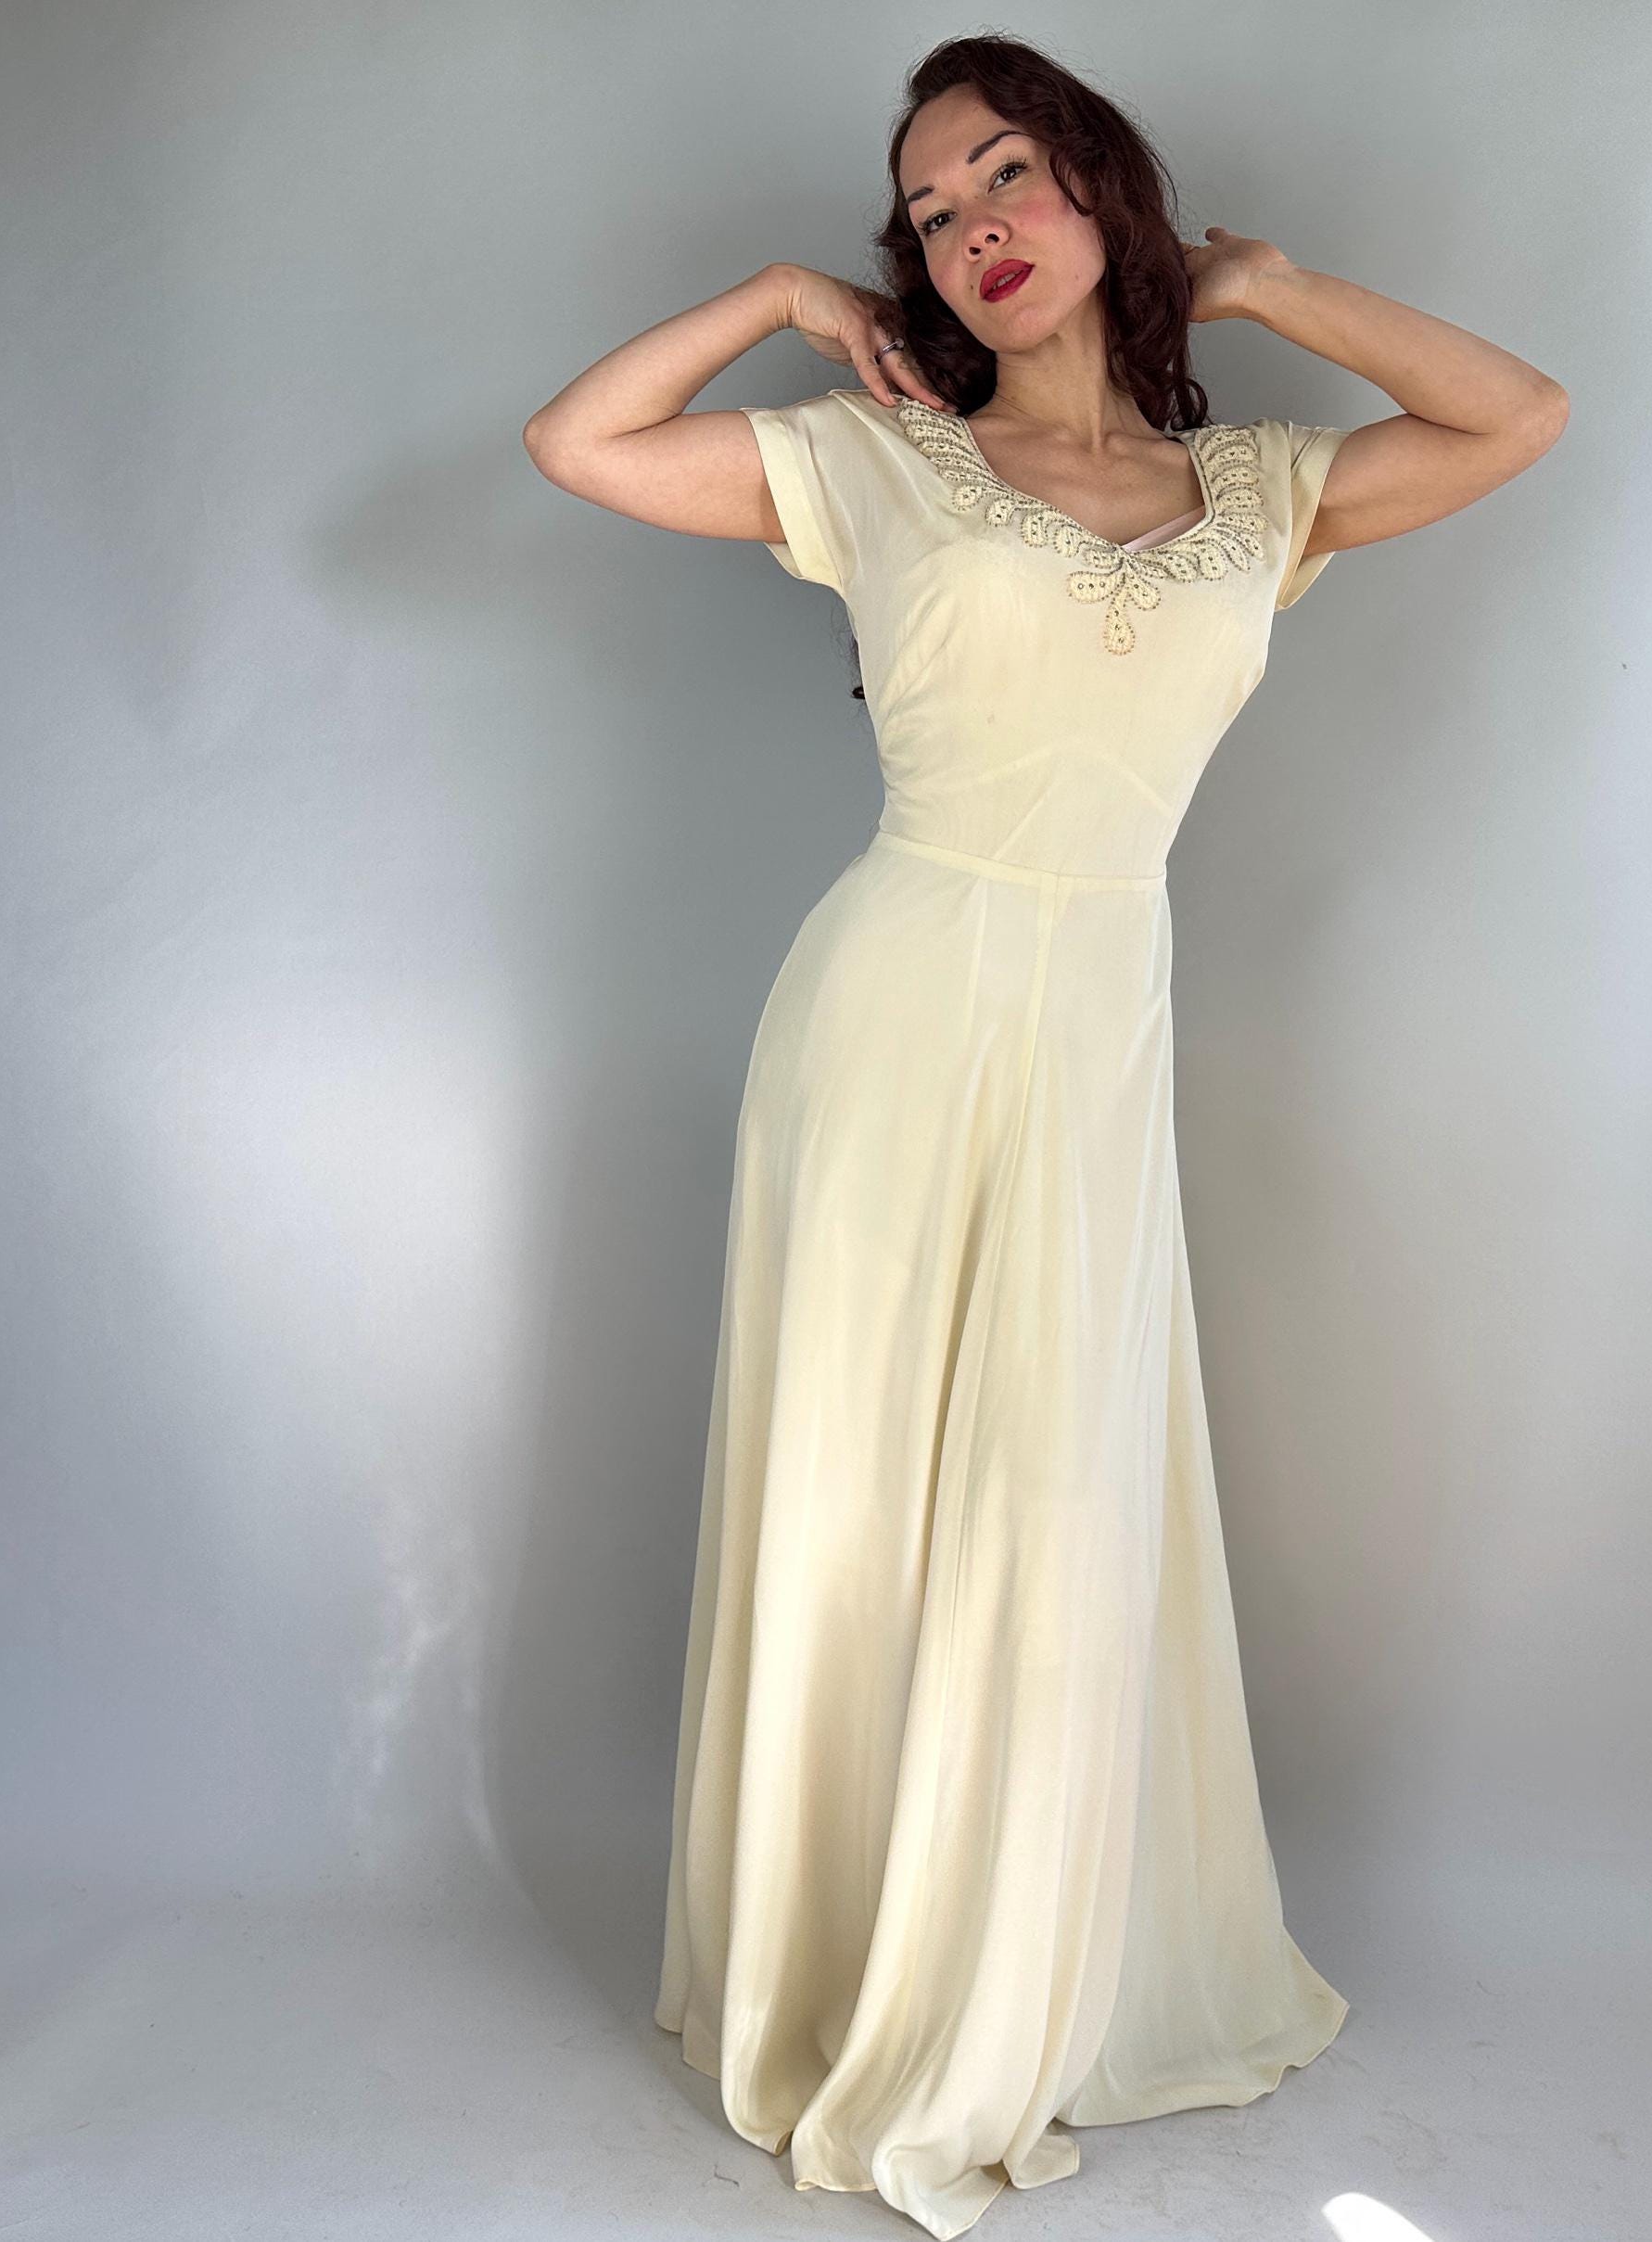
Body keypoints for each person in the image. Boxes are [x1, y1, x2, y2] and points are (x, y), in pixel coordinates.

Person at [523, 33, 1566, 2239]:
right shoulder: (876, 464)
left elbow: (1517, 417)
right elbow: (579, 443)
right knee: (865, 1501)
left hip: (1099, 1019)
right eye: (929, 210)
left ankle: (1018, 1968)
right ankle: (861, 1980)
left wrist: (1272, 285)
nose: (972, 224)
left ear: (1100, 189)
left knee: (1051, 1497)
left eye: (1007, 170)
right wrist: (786, 301)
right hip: (890, 1016)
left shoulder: (1261, 494)